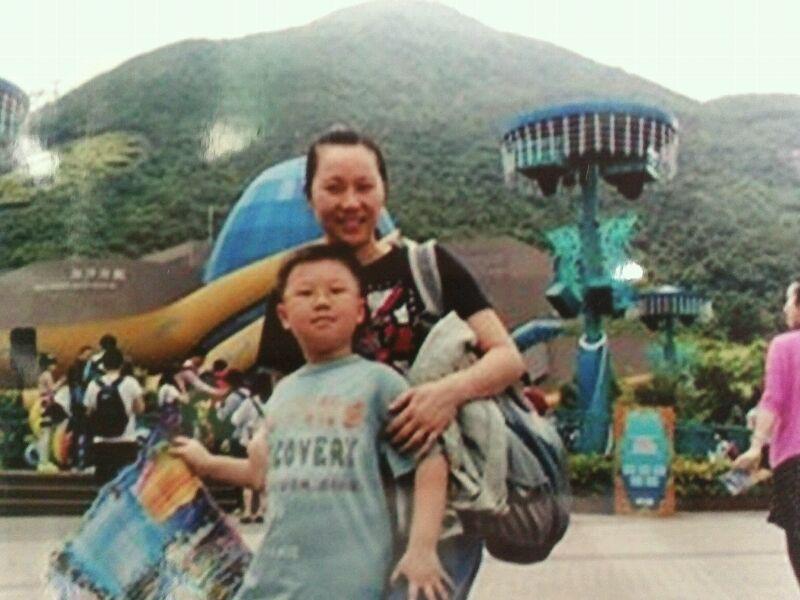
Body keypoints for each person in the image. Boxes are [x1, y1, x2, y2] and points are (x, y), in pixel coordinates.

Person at [257, 127, 526, 597]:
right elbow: (284, 394)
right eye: (334, 187)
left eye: (364, 186)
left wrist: (446, 394)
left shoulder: (429, 266)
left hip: (439, 517)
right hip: (342, 520)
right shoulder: (298, 287)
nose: (351, 202)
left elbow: (507, 358)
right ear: (309, 196)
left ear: (384, 190)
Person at [172, 245, 449, 599]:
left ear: (360, 310)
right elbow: (261, 474)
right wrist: (206, 463)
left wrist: (422, 549)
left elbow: (429, 462)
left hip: (347, 583)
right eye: (305, 293)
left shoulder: (379, 383)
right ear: (284, 315)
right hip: (271, 579)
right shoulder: (282, 392)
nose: (321, 301)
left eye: (336, 290)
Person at [735, 280, 800, 587]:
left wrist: (755, 446)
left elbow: (773, 400)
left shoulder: (785, 346)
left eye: (789, 301)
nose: (785, 308)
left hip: (795, 463)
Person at [83, 347, 145, 483]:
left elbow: (88, 412)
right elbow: (140, 409)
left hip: (101, 442)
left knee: (104, 483)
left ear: (103, 365)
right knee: (126, 483)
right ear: (121, 364)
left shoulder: (93, 385)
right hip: (126, 440)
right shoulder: (131, 383)